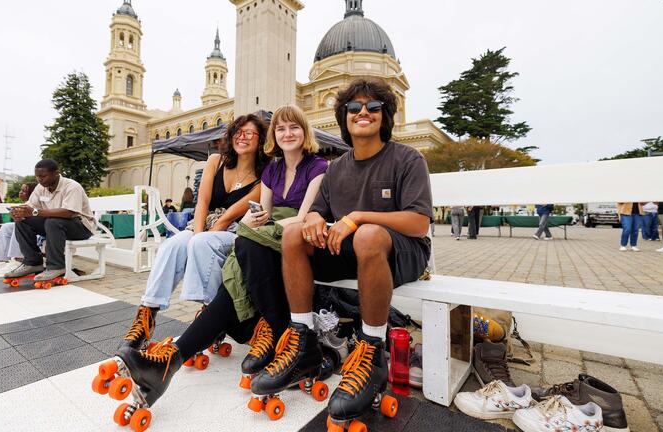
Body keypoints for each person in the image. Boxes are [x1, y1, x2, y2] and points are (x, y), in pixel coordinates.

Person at [103, 106, 327, 412]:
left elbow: (301, 218)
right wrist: (250, 225)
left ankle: (266, 331)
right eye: (281, 129)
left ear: (305, 132)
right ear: (273, 136)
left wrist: (251, 227)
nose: (287, 134)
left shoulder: (317, 166)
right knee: (223, 257)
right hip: (262, 235)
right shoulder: (272, 169)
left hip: (293, 236)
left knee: (240, 252)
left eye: (294, 128)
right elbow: (259, 213)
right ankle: (165, 360)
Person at [251, 79, 432, 425]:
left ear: (385, 115)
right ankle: (302, 342)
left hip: (403, 253)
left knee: (367, 235)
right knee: (293, 237)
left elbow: (419, 223)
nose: (363, 112)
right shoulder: (337, 169)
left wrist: (358, 217)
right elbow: (317, 210)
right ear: (344, 117)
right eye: (354, 107)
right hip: (354, 251)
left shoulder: (407, 158)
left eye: (373, 107)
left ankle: (372, 354)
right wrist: (315, 221)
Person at [116, 114, 267, 354]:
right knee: (173, 246)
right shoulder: (216, 161)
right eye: (238, 132)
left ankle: (212, 317)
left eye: (249, 133)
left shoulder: (264, 175)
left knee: (202, 244)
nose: (242, 136)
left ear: (261, 141)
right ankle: (146, 317)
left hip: (236, 231)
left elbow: (230, 216)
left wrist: (201, 238)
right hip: (202, 224)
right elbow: (203, 201)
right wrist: (197, 234)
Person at [4, 159, 95, 282]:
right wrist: (19, 212)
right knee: (22, 221)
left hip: (81, 227)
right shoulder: (40, 188)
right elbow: (29, 207)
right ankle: (33, 262)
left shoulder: (72, 186)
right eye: (37, 177)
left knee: (53, 221)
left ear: (56, 173)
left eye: (43, 176)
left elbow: (69, 212)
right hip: (54, 226)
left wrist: (34, 212)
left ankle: (57, 266)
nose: (40, 180)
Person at [0, 182, 39, 275]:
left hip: (39, 227)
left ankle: (17, 260)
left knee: (20, 224)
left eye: (24, 191)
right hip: (31, 226)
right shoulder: (28, 203)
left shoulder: (39, 200)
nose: (20, 193)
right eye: (20, 190)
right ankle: (1, 261)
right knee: (6, 227)